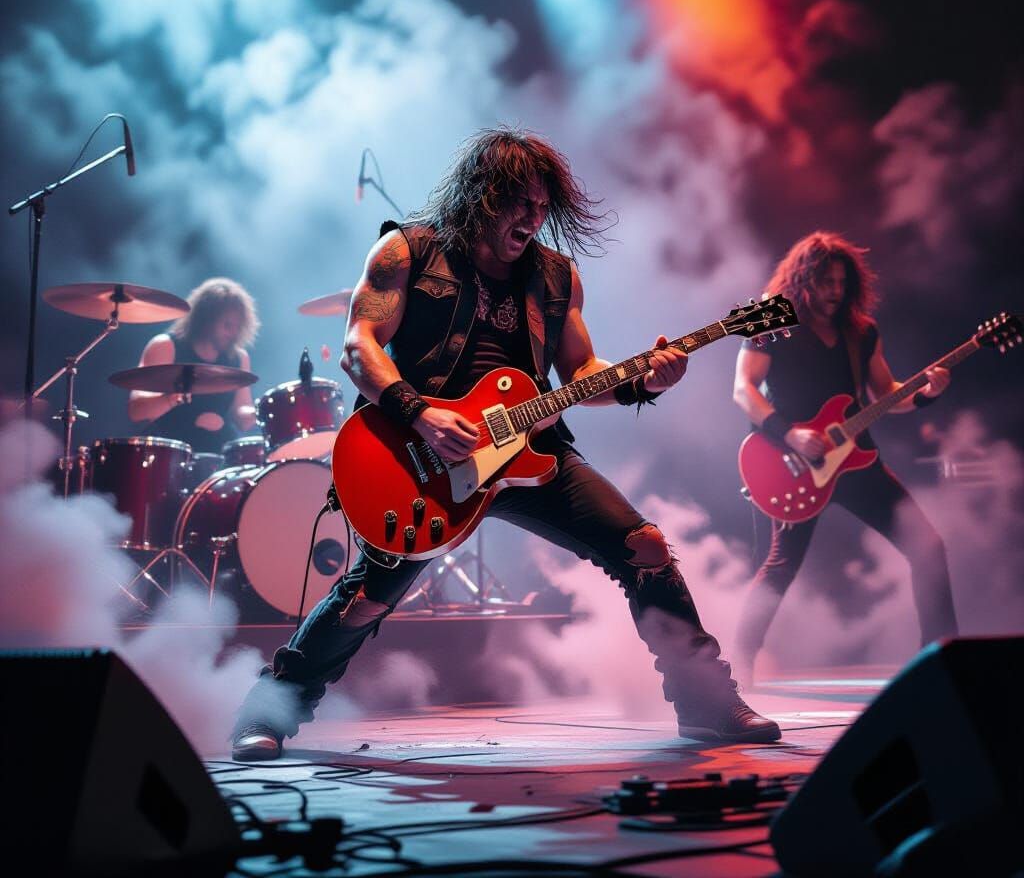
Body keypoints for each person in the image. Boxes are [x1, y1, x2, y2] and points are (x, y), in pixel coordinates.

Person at [231, 128, 781, 761]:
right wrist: (421, 414)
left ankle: (707, 704)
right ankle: (267, 711)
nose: (533, 217)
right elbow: (360, 347)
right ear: (481, 194)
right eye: (520, 202)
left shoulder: (556, 276)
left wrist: (641, 382)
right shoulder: (407, 250)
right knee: (364, 599)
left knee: (646, 546)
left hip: (531, 453)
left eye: (543, 206)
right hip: (421, 455)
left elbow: (581, 374)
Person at [732, 232, 959, 683]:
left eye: (841, 282)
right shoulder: (772, 324)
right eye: (825, 282)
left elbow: (887, 394)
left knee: (929, 546)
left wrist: (927, 393)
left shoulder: (861, 332)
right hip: (793, 464)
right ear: (802, 280)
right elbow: (743, 390)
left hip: (856, 462)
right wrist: (790, 434)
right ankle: (738, 662)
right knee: (781, 567)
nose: (835, 291)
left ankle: (942, 656)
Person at [127, 277, 260, 454]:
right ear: (206, 319)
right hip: (169, 453)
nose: (232, 333)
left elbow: (241, 415)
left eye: (238, 327)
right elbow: (137, 410)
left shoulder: (239, 358)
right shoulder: (165, 346)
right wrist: (173, 399)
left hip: (220, 454)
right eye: (227, 325)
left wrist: (263, 411)